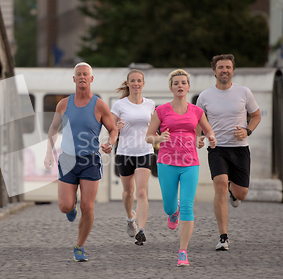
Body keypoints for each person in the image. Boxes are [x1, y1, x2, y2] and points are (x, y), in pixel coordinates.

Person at [44, 62, 118, 262]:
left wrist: (110, 143)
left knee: (88, 206)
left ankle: (80, 246)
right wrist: (49, 152)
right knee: (65, 206)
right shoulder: (64, 104)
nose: (83, 77)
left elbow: (113, 129)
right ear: (74, 79)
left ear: (91, 79)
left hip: (90, 160)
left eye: (86, 74)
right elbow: (53, 129)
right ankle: (71, 207)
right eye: (79, 74)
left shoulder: (100, 105)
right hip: (67, 160)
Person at [146, 69, 216, 266]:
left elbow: (208, 130)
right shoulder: (161, 111)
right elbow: (148, 136)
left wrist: (208, 138)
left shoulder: (196, 111)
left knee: (187, 206)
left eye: (183, 82)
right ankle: (172, 211)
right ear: (171, 87)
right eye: (176, 83)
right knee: (170, 206)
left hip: (190, 164)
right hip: (167, 162)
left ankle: (183, 251)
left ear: (188, 87)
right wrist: (159, 138)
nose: (180, 86)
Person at [196, 54, 261, 251]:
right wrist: (199, 136)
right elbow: (197, 119)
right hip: (217, 148)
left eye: (228, 67)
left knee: (240, 193)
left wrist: (247, 130)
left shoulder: (244, 92)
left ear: (233, 70)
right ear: (214, 70)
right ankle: (223, 236)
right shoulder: (205, 96)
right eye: (221, 67)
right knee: (220, 185)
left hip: (240, 149)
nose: (225, 70)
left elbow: (256, 115)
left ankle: (235, 194)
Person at [110, 69, 155, 245]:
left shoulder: (150, 104)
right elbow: (110, 125)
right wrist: (117, 126)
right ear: (128, 83)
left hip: (145, 150)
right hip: (125, 152)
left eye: (139, 81)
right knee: (128, 192)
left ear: (143, 84)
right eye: (133, 81)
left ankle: (141, 230)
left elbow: (154, 126)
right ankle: (130, 218)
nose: (136, 83)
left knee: (142, 191)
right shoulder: (119, 105)